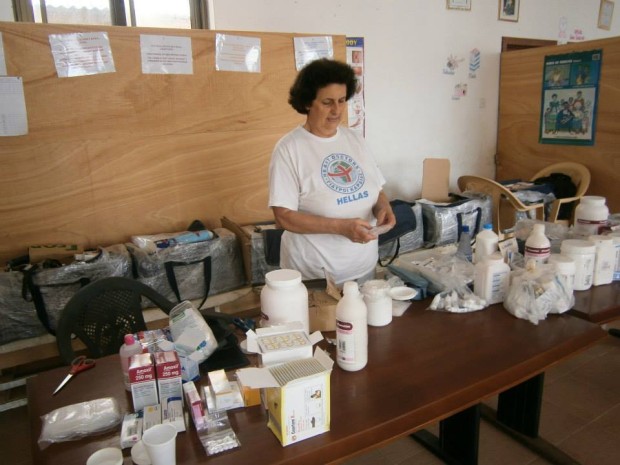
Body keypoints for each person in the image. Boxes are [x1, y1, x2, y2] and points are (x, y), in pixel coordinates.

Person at [268, 58, 395, 285]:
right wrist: (341, 227)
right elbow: (283, 217)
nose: (337, 110)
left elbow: (376, 189)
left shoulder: (355, 139)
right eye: (327, 102)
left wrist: (383, 208)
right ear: (308, 102)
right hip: (315, 275)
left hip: (363, 268)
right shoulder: (289, 149)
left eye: (342, 100)